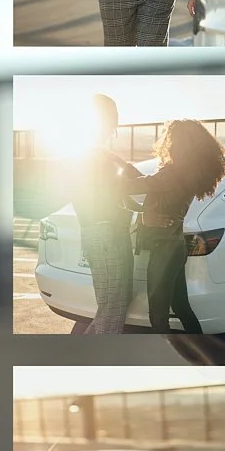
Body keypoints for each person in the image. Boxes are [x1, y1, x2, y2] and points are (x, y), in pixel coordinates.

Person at [121, 119, 225, 333]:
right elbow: (149, 183)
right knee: (181, 307)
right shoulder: (187, 173)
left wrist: (111, 175)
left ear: (178, 143)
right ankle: (199, 355)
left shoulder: (172, 174)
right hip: (175, 248)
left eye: (170, 138)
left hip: (163, 250)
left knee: (158, 316)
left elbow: (132, 186)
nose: (166, 142)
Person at [70, 94, 135, 334]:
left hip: (108, 233)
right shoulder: (92, 155)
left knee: (114, 304)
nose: (114, 125)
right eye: (112, 117)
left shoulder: (99, 154)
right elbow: (127, 185)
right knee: (112, 309)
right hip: (105, 233)